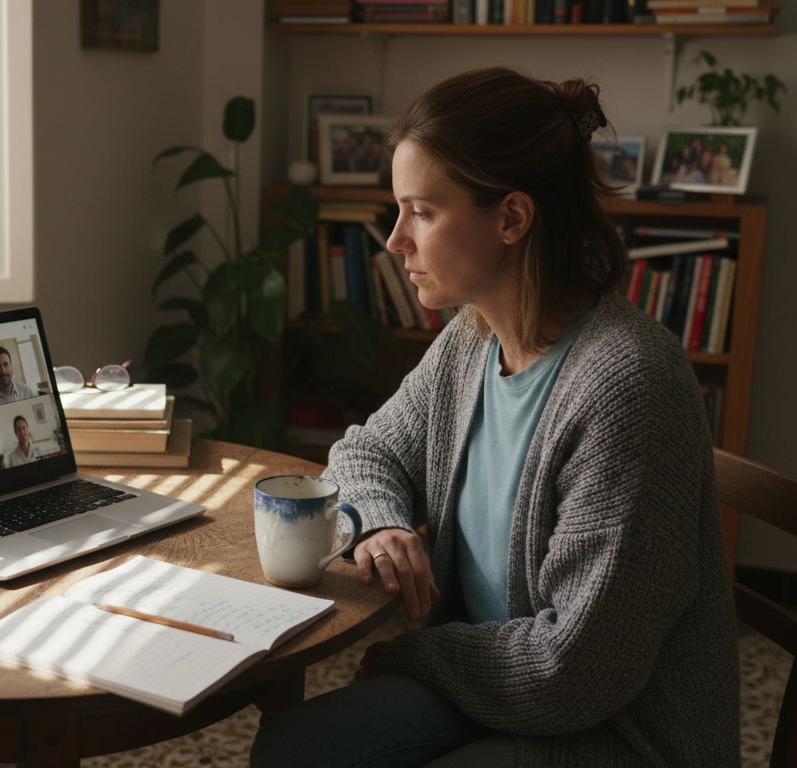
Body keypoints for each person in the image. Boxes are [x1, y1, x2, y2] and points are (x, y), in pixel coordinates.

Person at [251, 67, 737, 767]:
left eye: (421, 211)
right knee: (291, 750)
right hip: (495, 687)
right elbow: (366, 451)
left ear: (511, 217)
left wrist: (415, 654)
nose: (395, 240)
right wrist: (383, 520)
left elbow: (577, 672)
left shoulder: (628, 385)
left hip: (613, 733)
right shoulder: (472, 338)